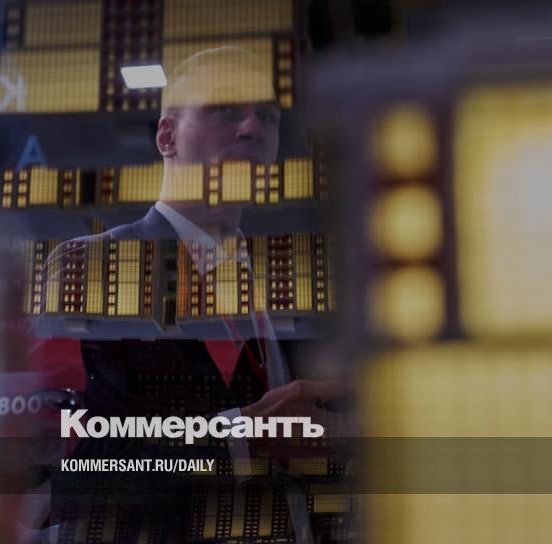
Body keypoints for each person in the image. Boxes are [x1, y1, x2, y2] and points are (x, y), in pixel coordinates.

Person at [40, 46, 352, 543]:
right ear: (167, 136)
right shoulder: (93, 267)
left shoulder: (289, 287)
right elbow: (72, 474)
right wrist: (239, 439)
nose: (253, 129)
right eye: (225, 109)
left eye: (268, 117)